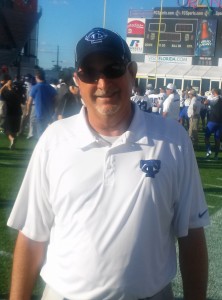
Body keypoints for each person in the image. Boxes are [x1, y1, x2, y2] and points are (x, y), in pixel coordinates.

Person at [7, 27, 209, 300]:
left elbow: (191, 235)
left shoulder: (172, 140)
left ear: (132, 73)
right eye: (89, 72)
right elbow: (32, 236)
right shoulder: (54, 140)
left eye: (113, 68)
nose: (102, 83)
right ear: (77, 81)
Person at [26, 68, 57, 139]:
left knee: (40, 134)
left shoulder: (35, 87)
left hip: (39, 114)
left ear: (36, 77)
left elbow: (29, 102)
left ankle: (42, 148)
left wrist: (28, 111)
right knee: (48, 133)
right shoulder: (49, 87)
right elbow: (56, 99)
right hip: (49, 114)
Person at [0, 76, 22, 149]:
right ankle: (13, 144)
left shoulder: (6, 93)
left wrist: (5, 86)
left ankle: (12, 139)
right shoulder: (17, 92)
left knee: (7, 130)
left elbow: (0, 92)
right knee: (15, 130)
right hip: (18, 112)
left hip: (9, 113)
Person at [204, 88, 222, 160]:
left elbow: (206, 102)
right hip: (220, 122)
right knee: (217, 139)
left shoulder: (214, 99)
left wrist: (209, 98)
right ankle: (216, 156)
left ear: (214, 93)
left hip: (213, 120)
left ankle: (208, 150)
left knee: (206, 137)